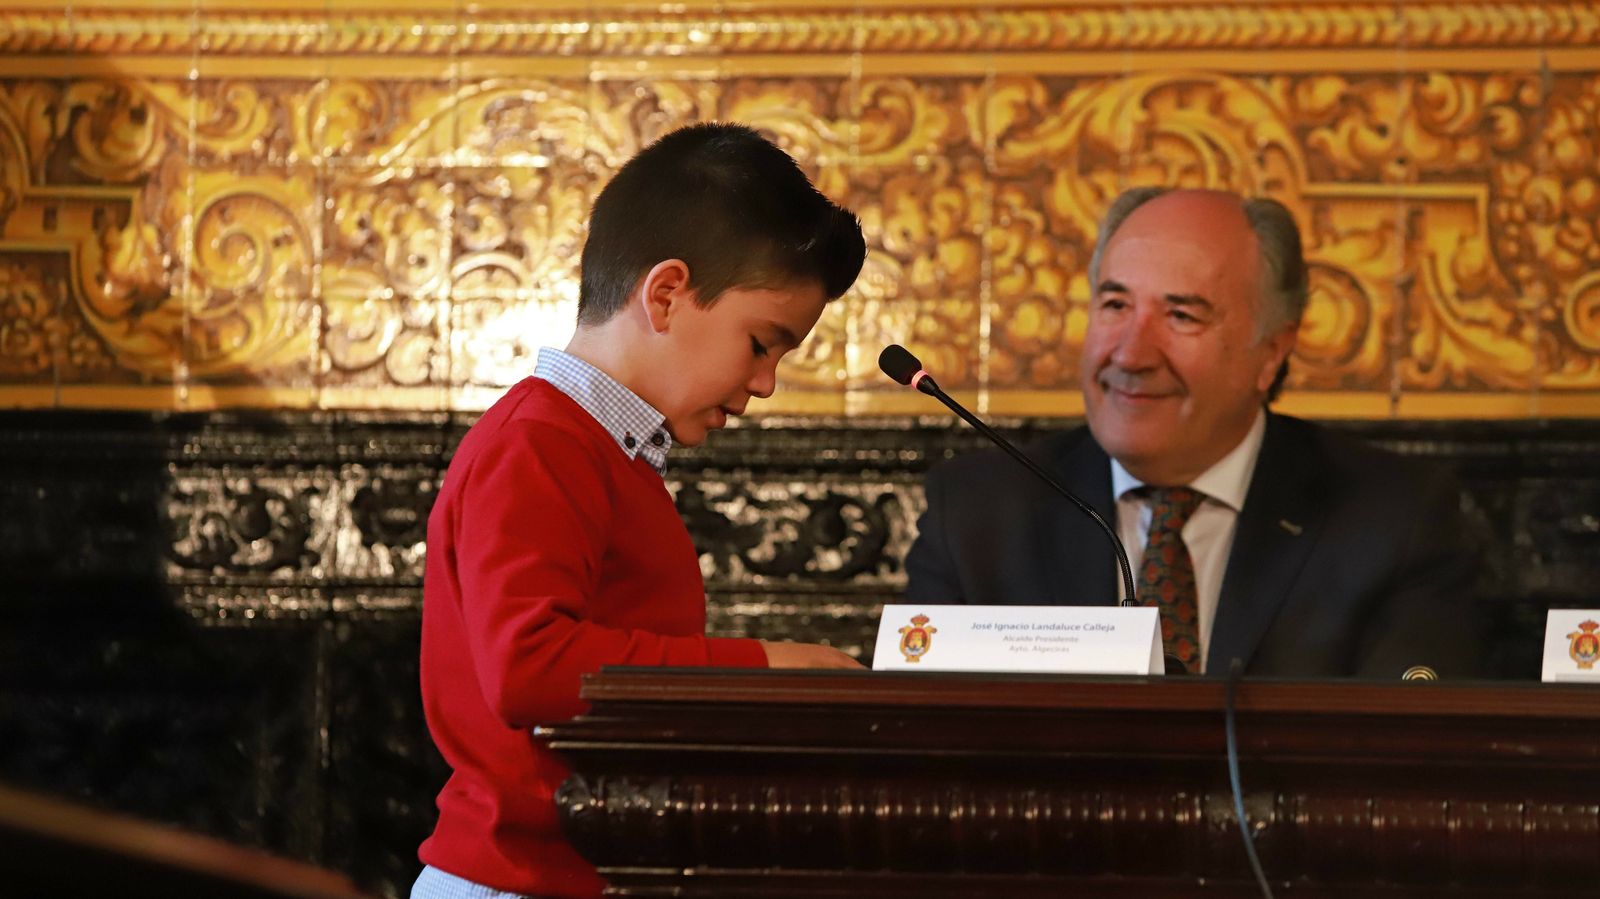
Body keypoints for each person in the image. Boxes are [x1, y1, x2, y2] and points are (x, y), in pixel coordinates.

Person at [414, 122, 867, 899]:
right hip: (518, 879)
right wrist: (766, 668)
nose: (765, 383)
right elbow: (528, 667)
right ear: (665, 294)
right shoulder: (539, 441)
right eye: (762, 343)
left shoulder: (602, 451)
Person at [905, 187, 1483, 678]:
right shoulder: (979, 513)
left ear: (1272, 350)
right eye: (1115, 305)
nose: (1131, 355)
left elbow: (1406, 748)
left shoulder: (1395, 517)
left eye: (1181, 316)